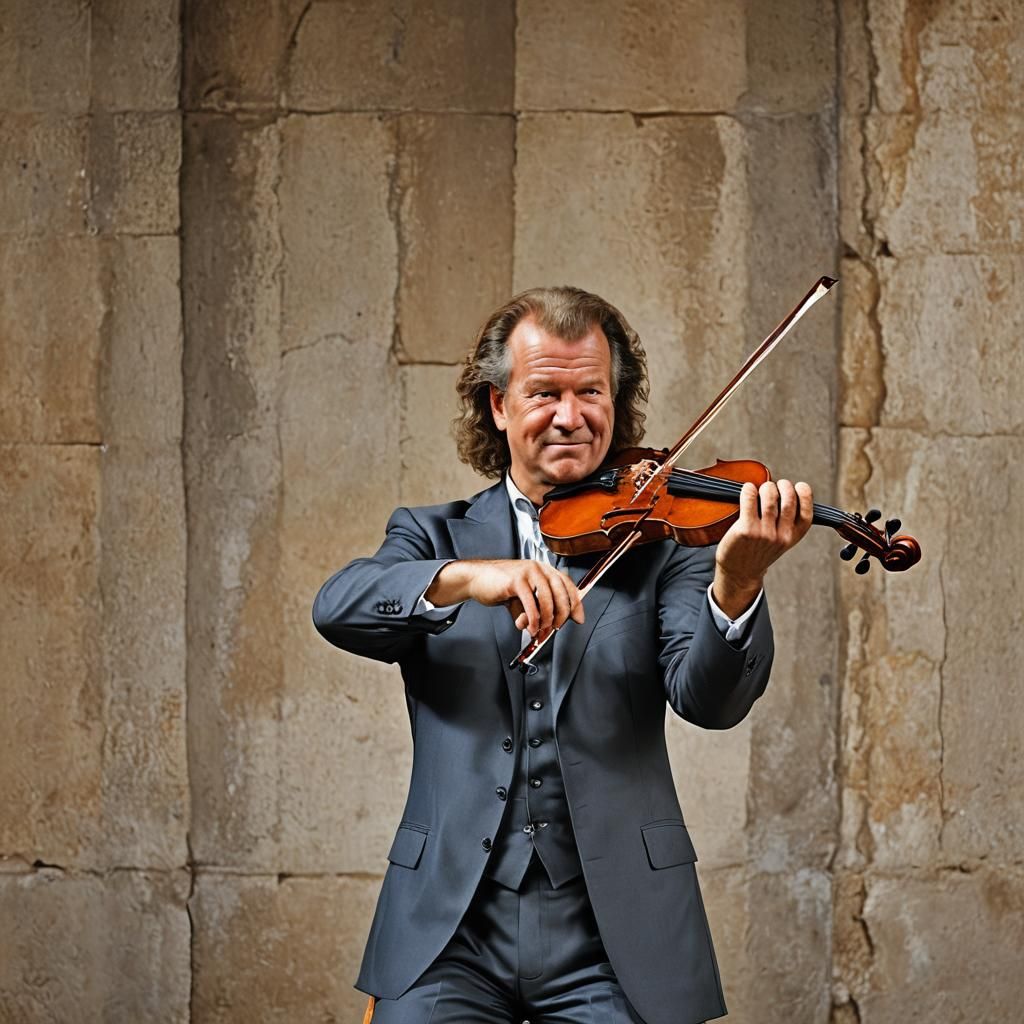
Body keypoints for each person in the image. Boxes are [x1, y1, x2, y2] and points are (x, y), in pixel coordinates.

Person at [312, 286, 813, 1024]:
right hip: (448, 935)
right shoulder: (433, 537)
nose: (572, 417)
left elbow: (711, 702)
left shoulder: (661, 548)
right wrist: (466, 579)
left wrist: (737, 583)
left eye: (591, 392)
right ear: (499, 405)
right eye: (545, 392)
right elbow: (339, 605)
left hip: (613, 941)